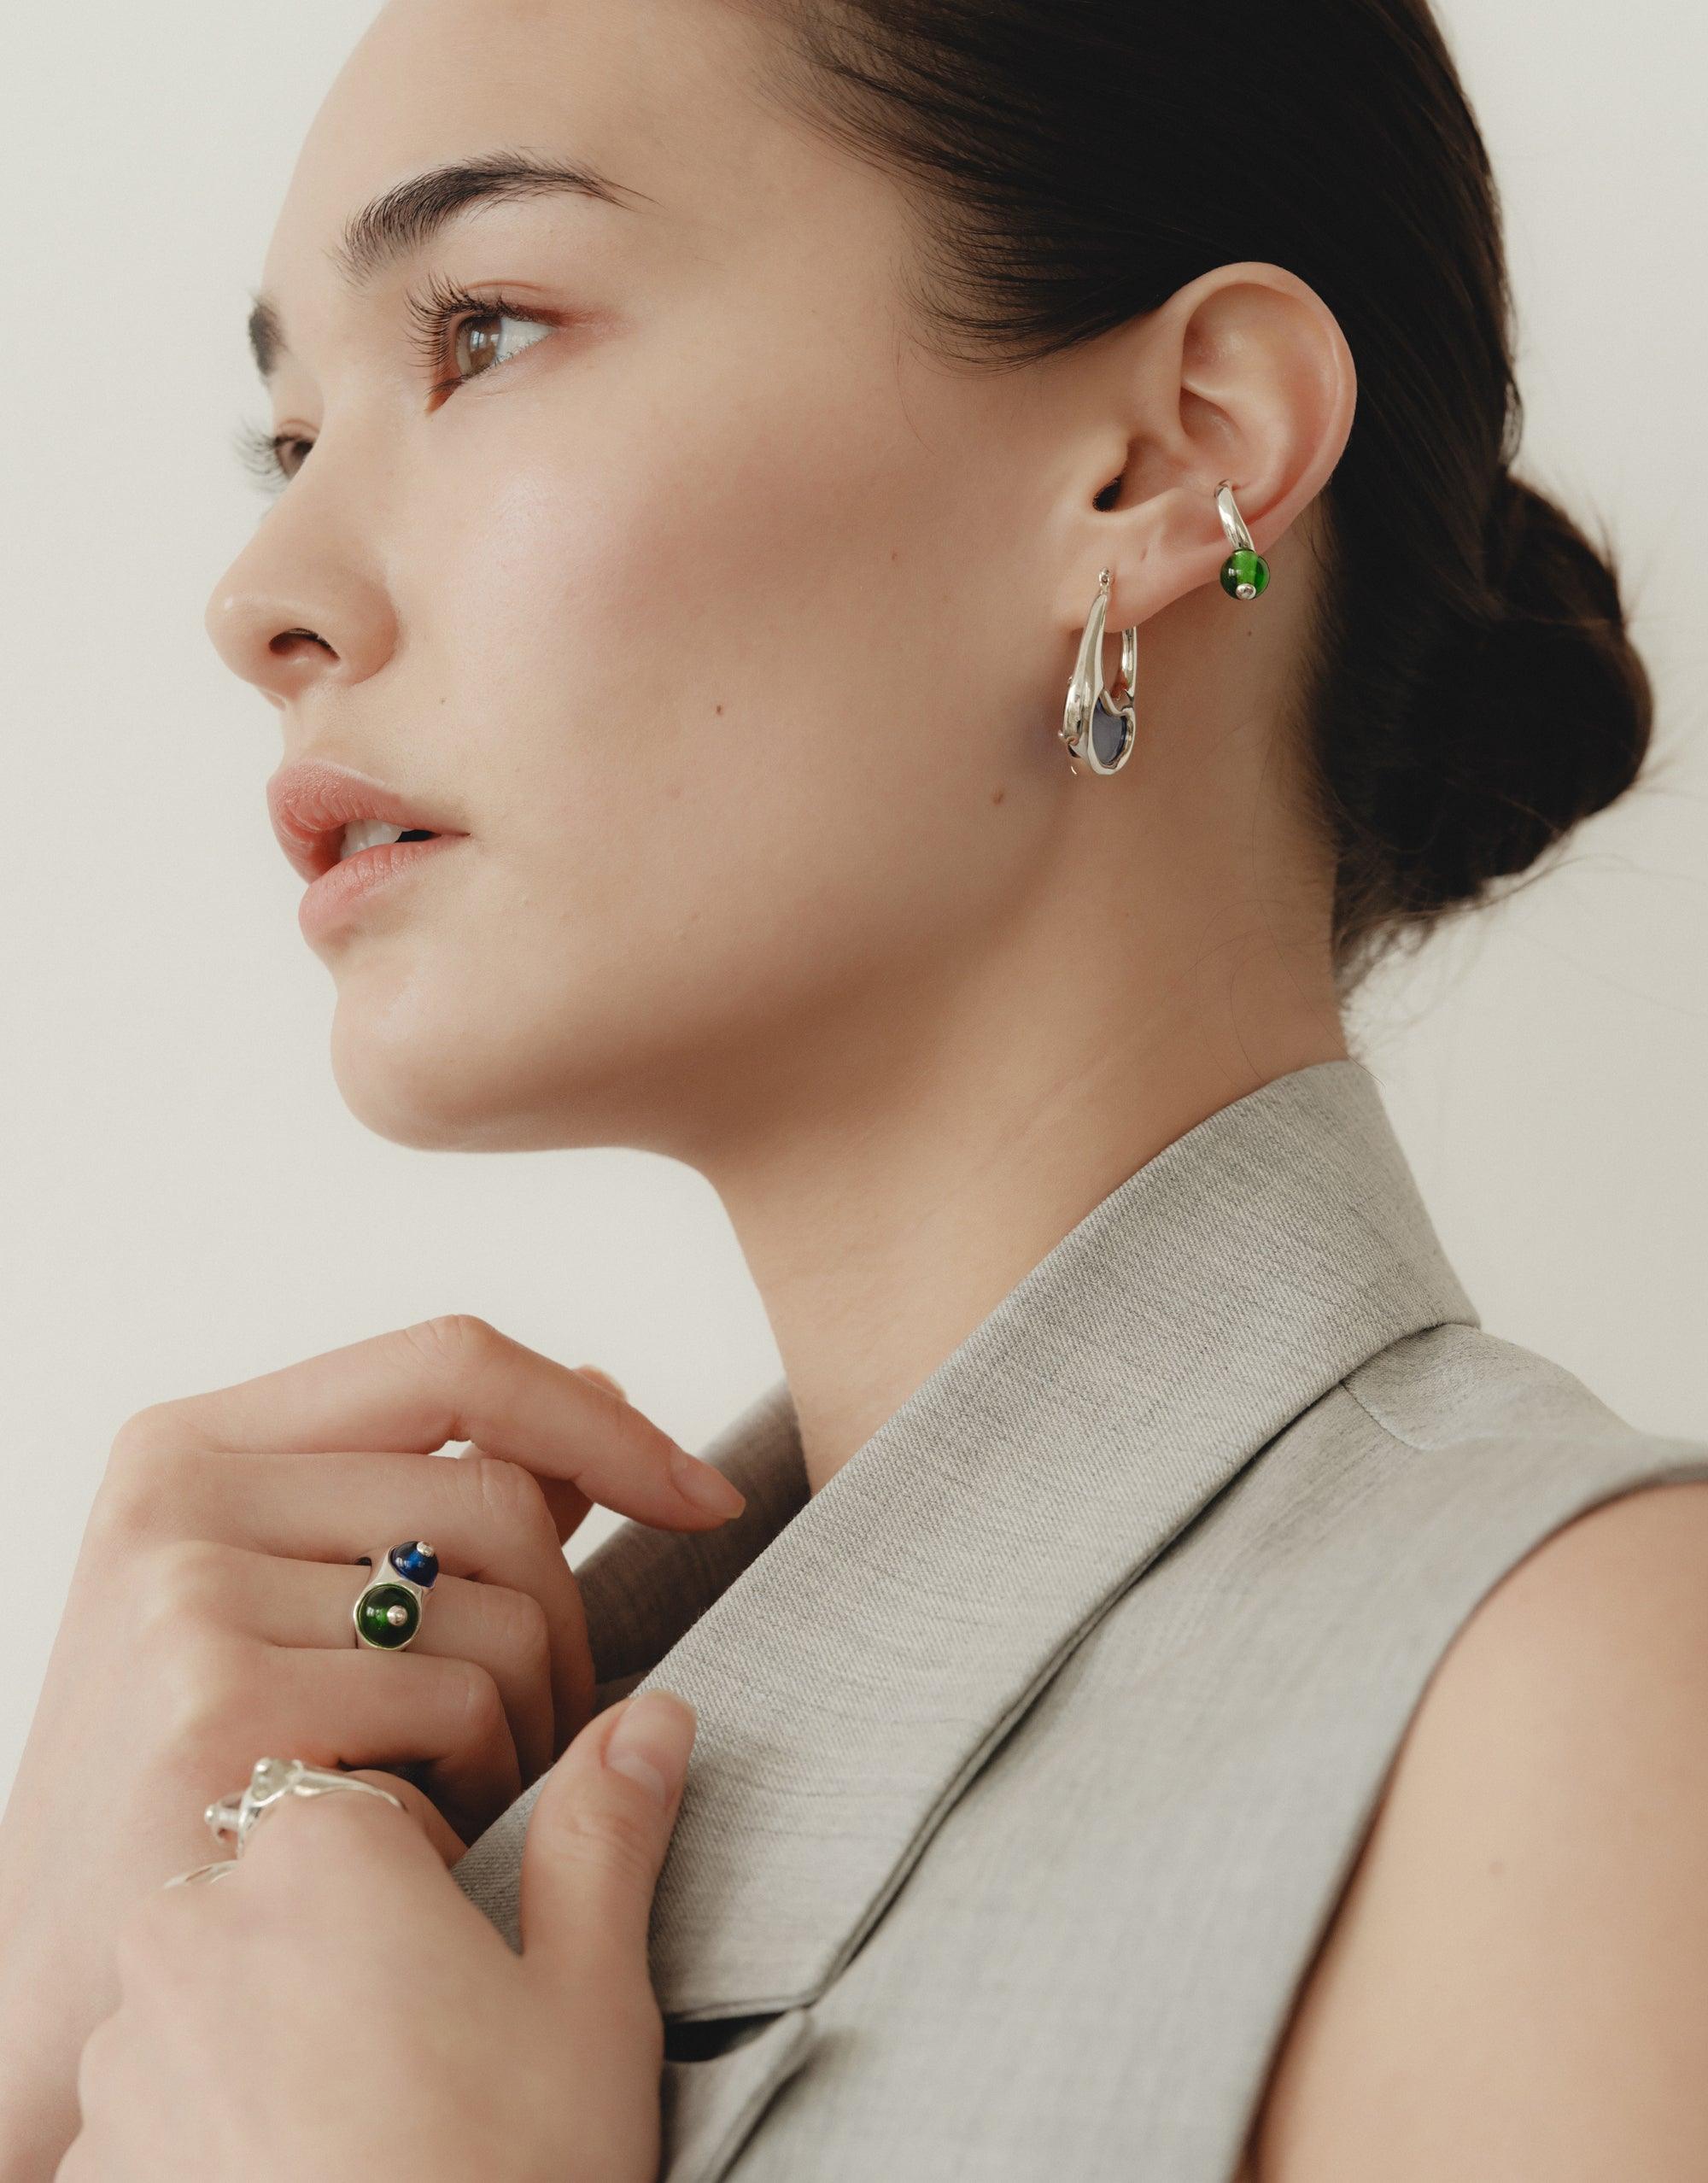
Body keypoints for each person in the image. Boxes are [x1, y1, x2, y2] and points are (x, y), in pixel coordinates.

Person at [2, 0, 1703, 2174]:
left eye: (485, 333)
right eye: (291, 439)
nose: (264, 600)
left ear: (1169, 459)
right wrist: (30, 2035)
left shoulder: (1579, 1705)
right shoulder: (330, 1823)